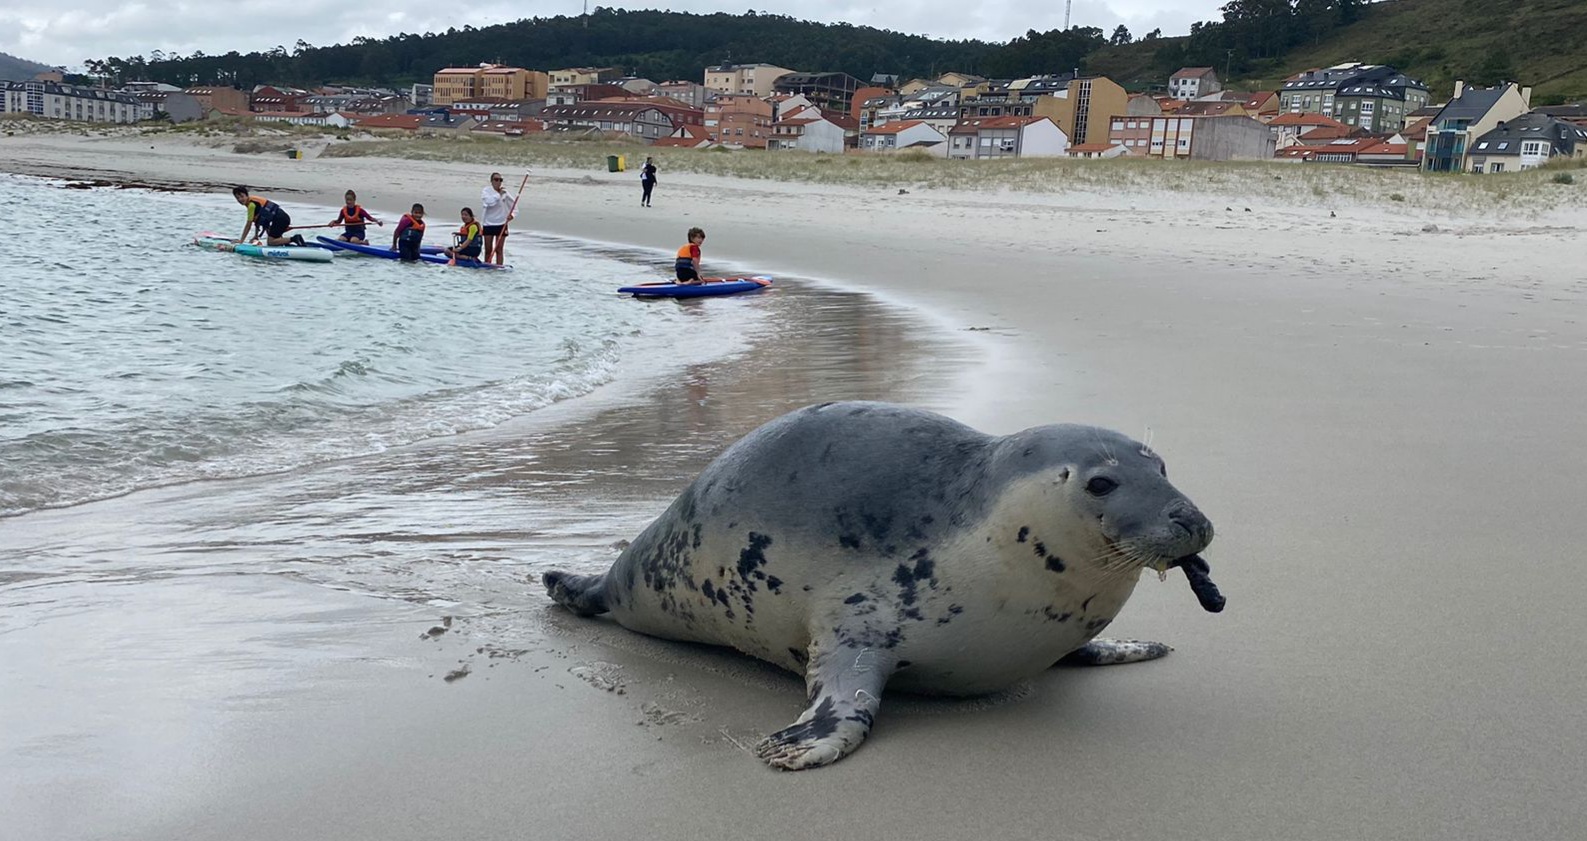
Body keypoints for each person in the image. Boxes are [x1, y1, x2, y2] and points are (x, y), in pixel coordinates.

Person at [233, 186, 303, 246]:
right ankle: (285, 243)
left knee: (271, 242)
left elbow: (248, 225)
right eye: (237, 198)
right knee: (270, 233)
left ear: (247, 195)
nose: (240, 199)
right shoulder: (253, 202)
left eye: (242, 196)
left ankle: (294, 238)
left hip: (280, 219)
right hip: (283, 217)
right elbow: (257, 221)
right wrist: (256, 236)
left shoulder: (251, 205)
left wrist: (241, 241)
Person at [479, 172, 516, 265]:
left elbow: (514, 205)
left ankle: (499, 267)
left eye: (500, 180)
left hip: (501, 223)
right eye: (496, 179)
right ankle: (487, 266)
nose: (498, 182)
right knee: (488, 249)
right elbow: (489, 202)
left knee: (499, 249)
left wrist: (512, 215)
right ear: (491, 181)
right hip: (488, 223)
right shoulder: (486, 191)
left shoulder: (505, 193)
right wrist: (498, 194)